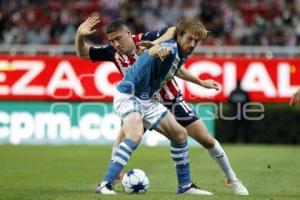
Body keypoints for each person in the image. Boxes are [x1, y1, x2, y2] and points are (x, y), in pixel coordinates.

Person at [76, 17, 248, 195]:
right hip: (132, 95)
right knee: (129, 138)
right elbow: (83, 53)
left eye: (118, 38)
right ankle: (106, 182)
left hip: (161, 97)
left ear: (129, 34)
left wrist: (198, 81)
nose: (116, 44)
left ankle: (208, 183)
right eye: (112, 40)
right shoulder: (117, 52)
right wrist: (156, 48)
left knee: (187, 136)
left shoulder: (147, 40)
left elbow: (173, 34)